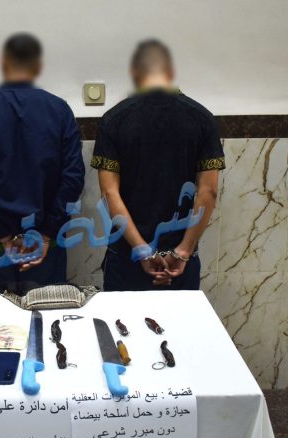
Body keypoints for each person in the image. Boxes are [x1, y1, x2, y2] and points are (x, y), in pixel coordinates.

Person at [92, 39, 224, 291]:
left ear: (135, 73)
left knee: (123, 318)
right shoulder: (202, 119)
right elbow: (209, 192)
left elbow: (109, 194)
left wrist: (142, 251)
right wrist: (183, 252)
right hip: (180, 261)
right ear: (171, 72)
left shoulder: (114, 120)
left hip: (127, 256)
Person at [0, 33, 85, 293]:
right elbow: (73, 177)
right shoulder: (59, 110)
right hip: (46, 247)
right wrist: (46, 235)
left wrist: (3, 237)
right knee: (46, 316)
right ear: (38, 66)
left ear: (3, 63)